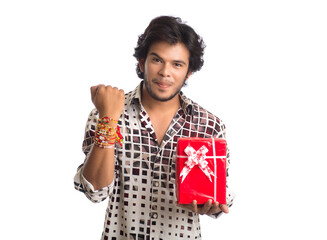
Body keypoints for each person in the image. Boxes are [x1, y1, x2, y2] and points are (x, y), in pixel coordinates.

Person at [74, 15, 234, 240]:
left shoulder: (209, 125)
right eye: (157, 60)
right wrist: (109, 118)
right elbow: (95, 191)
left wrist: (214, 206)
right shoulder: (106, 114)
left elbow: (220, 191)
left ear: (188, 72)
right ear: (142, 63)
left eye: (177, 64)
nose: (165, 72)